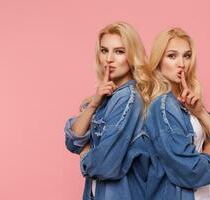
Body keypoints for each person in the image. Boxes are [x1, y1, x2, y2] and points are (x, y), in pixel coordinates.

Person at [143, 27, 210, 200]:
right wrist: (208, 151)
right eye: (172, 56)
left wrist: (200, 112)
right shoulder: (162, 106)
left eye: (187, 55)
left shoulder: (187, 102)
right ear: (159, 61)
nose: (182, 64)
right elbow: (189, 171)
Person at [64, 21, 150, 200]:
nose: (109, 59)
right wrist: (94, 104)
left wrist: (85, 154)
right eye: (104, 51)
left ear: (132, 55)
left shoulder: (128, 98)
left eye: (119, 51)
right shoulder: (105, 97)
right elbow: (72, 141)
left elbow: (106, 165)